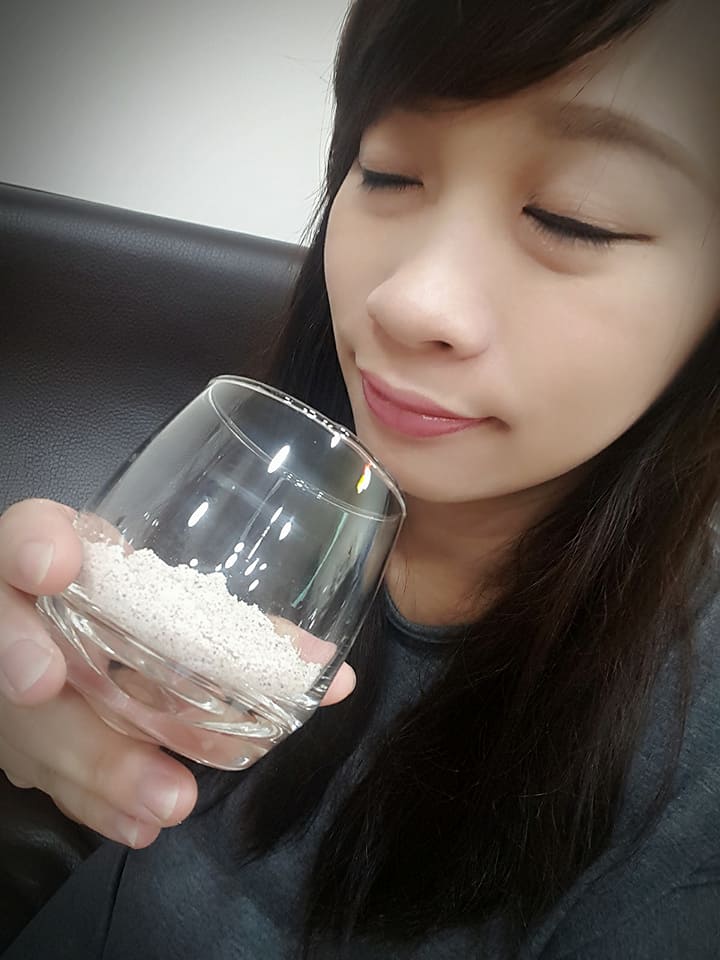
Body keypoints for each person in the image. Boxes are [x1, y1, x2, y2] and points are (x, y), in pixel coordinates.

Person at [1, 0, 719, 956]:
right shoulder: (257, 485)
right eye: (387, 172)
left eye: (573, 217)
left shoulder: (690, 767)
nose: (408, 300)